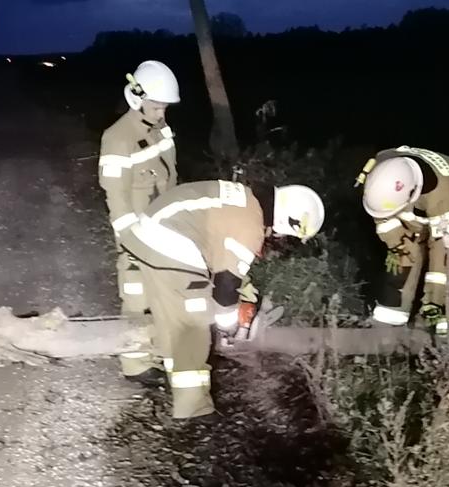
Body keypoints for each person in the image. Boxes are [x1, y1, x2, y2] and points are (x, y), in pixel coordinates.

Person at [119, 179, 325, 419]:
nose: (276, 237)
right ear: (285, 221)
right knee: (192, 325)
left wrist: (245, 295)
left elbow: (221, 256)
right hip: (170, 244)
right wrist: (228, 326)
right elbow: (226, 286)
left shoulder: (246, 200)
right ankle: (193, 409)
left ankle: (137, 364)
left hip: (144, 232)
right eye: (281, 234)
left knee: (152, 307)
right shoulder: (251, 225)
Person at [98, 60, 180, 382]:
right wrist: (129, 238)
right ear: (137, 97)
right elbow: (114, 194)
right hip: (135, 231)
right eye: (157, 106)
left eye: (164, 108)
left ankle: (157, 352)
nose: (161, 113)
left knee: (162, 294)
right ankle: (135, 365)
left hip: (162, 226)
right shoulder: (117, 138)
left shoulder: (160, 129)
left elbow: (170, 177)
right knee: (135, 296)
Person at [355, 147, 449, 335]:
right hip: (412, 203)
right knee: (403, 258)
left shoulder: (446, 198)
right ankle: (388, 322)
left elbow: (442, 258)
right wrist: (396, 244)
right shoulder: (382, 173)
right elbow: (381, 215)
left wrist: (433, 301)